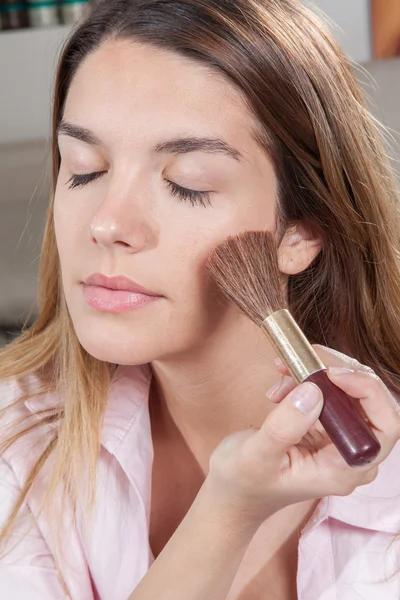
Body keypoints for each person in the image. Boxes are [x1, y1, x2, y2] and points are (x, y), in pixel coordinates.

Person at [0, 0, 399, 598]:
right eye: (83, 169)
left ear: (300, 234)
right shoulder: (19, 439)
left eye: (187, 184)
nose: (108, 224)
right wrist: (228, 514)